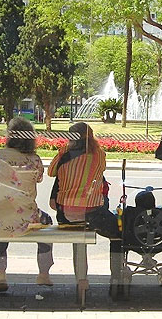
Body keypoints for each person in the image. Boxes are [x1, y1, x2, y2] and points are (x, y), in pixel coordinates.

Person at [0, 117, 53, 292]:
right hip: (27, 218)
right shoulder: (35, 160)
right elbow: (38, 179)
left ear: (9, 136)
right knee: (47, 222)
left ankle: (1, 273)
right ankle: (43, 273)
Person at [48, 122, 122, 288]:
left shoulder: (64, 155)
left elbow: (51, 172)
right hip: (93, 213)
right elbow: (100, 171)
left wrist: (64, 151)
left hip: (66, 214)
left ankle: (82, 281)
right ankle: (116, 277)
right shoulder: (99, 155)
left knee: (78, 239)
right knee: (118, 234)